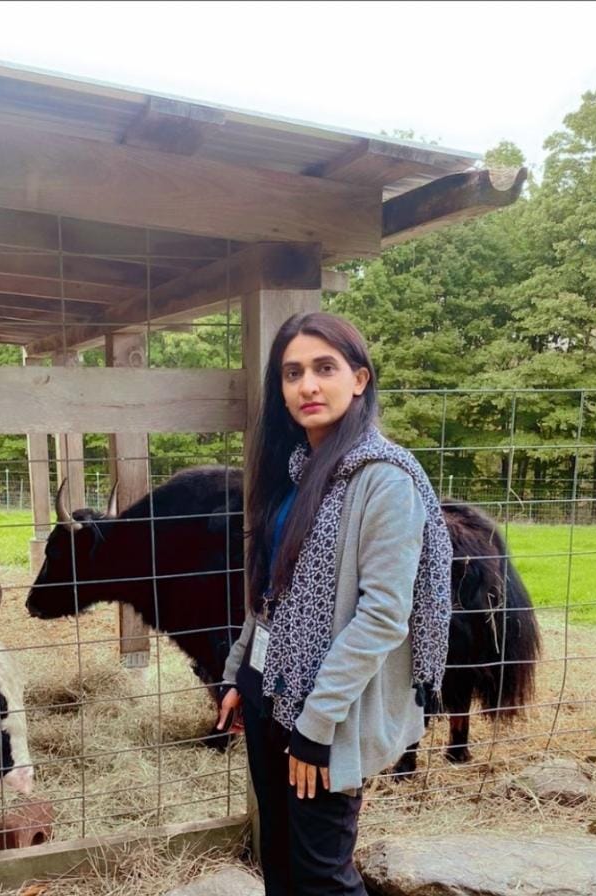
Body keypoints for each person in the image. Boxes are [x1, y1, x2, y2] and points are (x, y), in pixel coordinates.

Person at [216, 312, 452, 895]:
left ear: (360, 379)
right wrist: (236, 672)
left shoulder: (385, 480)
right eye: (292, 373)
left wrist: (316, 725)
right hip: (266, 687)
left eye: (325, 368)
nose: (307, 386)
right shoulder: (292, 470)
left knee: (322, 873)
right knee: (278, 855)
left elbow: (381, 615)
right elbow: (271, 589)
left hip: (326, 709)